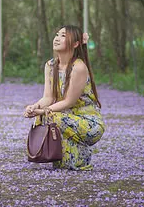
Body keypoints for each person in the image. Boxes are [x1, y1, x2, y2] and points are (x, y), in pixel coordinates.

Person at [24, 25, 105, 170]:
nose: (57, 38)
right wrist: (35, 107)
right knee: (45, 116)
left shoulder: (78, 67)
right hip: (65, 118)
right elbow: (48, 98)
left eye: (63, 36)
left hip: (88, 124)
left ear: (75, 44)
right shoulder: (50, 65)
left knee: (49, 116)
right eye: (57, 34)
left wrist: (44, 112)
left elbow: (68, 102)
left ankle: (81, 156)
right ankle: (75, 157)